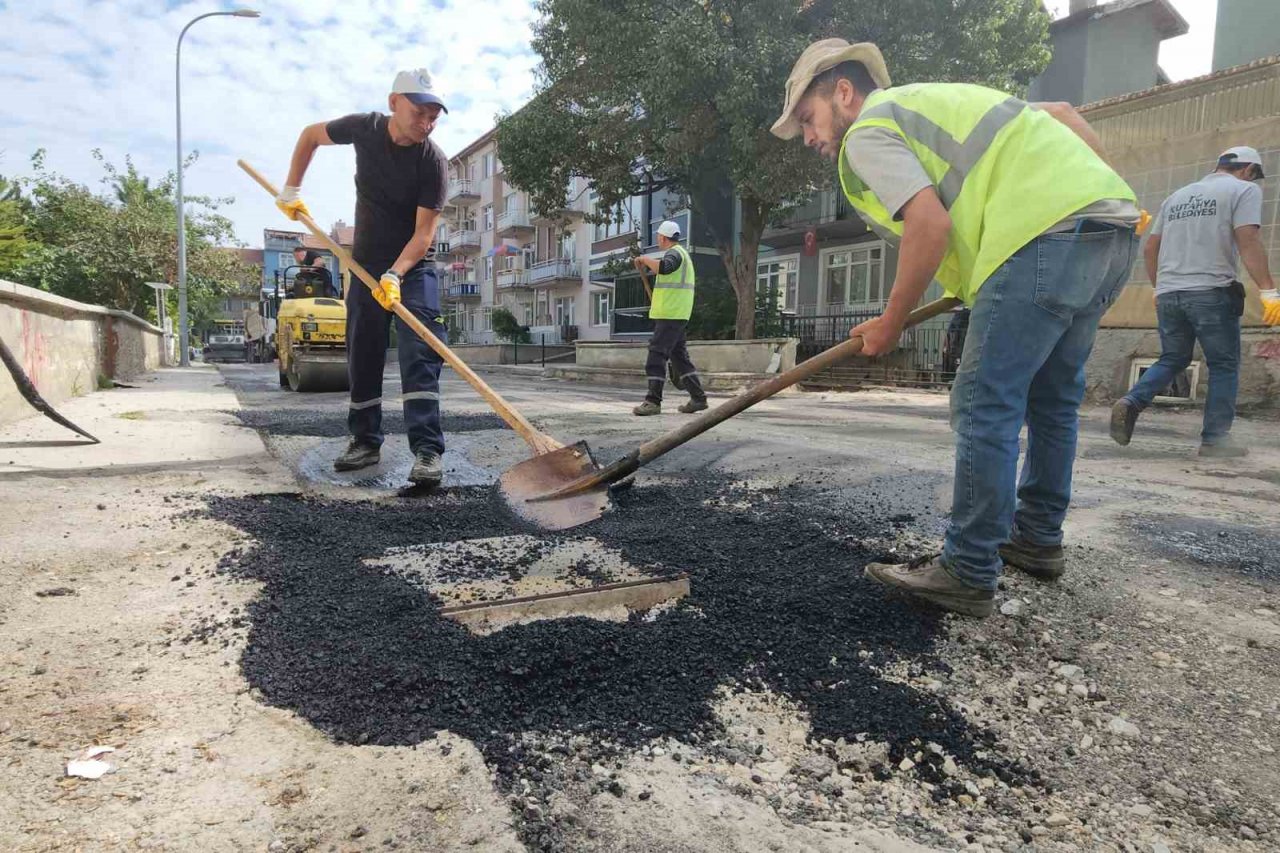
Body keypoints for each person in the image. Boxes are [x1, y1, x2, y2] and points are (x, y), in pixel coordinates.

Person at [772, 39, 1141, 617]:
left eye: (809, 119)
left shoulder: (870, 129)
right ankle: (1038, 539)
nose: (812, 140)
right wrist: (1084, 203)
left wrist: (891, 321)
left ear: (843, 92)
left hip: (1039, 238)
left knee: (982, 399)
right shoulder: (944, 101)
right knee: (1053, 399)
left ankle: (969, 569)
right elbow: (1065, 117)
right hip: (1110, 231)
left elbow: (928, 223)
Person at [275, 68, 451, 488]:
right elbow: (310, 135)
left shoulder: (434, 162)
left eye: (433, 116)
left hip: (414, 267)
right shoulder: (364, 129)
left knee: (419, 351)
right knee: (363, 351)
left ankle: (427, 450)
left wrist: (396, 273)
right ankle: (364, 441)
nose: (426, 123)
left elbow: (424, 234)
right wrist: (291, 189)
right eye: (419, 112)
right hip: (365, 265)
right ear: (394, 103)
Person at [1111, 146, 1280, 457]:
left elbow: (1150, 249)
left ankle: (1132, 401)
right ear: (1248, 171)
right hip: (1211, 292)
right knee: (1224, 364)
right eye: (1255, 177)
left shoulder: (1177, 196)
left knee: (1173, 358)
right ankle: (1215, 440)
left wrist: (1160, 288)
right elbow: (1248, 240)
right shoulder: (1243, 190)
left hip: (1169, 294)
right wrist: (1268, 290)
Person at [631, 220, 709, 416]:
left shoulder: (674, 253)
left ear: (662, 238)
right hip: (676, 314)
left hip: (671, 315)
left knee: (656, 354)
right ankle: (698, 398)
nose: (658, 239)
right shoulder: (682, 254)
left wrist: (644, 260)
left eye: (659, 237)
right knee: (679, 358)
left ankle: (653, 401)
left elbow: (664, 267)